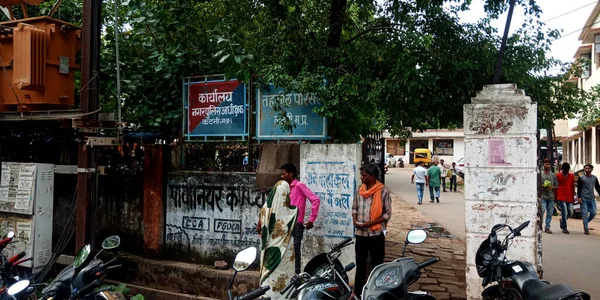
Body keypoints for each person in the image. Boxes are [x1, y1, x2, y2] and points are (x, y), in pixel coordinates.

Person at [352, 164, 392, 298]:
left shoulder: (383, 191)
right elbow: (354, 208)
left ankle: (377, 292)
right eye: (361, 175)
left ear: (372, 176)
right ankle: (358, 293)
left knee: (377, 265)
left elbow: (387, 214)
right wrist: (354, 221)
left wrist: (371, 223)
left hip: (376, 234)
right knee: (360, 265)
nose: (362, 177)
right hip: (360, 234)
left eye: (364, 175)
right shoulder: (359, 189)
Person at [256, 180, 298, 297]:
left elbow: (258, 228)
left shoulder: (266, 207)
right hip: (284, 252)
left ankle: (267, 295)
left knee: (270, 275)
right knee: (283, 274)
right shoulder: (291, 212)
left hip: (269, 250)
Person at [280, 163, 321, 274]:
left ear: (291, 174)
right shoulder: (285, 187)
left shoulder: (299, 186)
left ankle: (297, 277)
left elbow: (315, 200)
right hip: (285, 224)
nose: (282, 176)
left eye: (284, 174)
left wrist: (311, 220)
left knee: (295, 252)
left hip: (296, 224)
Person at [577, 163, 600, 235]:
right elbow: (579, 189)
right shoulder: (581, 178)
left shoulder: (594, 178)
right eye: (586, 168)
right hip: (583, 199)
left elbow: (598, 188)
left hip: (591, 199)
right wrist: (579, 197)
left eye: (588, 168)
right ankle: (586, 229)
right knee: (584, 214)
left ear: (591, 170)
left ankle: (585, 222)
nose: (587, 170)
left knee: (593, 213)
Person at [556, 162, 575, 234]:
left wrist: (573, 195)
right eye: (565, 169)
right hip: (561, 195)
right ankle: (564, 228)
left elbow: (572, 186)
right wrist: (555, 198)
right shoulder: (558, 176)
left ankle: (562, 220)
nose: (566, 171)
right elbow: (556, 186)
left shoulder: (571, 176)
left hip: (569, 195)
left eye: (567, 170)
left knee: (571, 212)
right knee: (564, 212)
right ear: (562, 169)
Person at [539, 159, 558, 234]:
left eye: (549, 164)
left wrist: (552, 187)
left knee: (550, 213)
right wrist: (542, 185)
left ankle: (547, 227)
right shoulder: (540, 175)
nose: (548, 166)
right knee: (542, 211)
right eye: (546, 164)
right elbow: (537, 185)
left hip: (551, 197)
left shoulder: (553, 175)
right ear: (543, 165)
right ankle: (540, 224)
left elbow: (557, 186)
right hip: (543, 196)